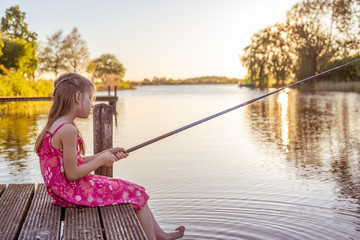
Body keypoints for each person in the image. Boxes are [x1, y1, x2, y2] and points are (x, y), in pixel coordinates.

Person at [34, 73, 185, 240]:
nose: (92, 105)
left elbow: (74, 164)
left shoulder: (55, 125)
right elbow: (72, 174)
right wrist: (100, 161)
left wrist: (105, 154)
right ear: (77, 97)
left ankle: (161, 235)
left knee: (137, 190)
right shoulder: (68, 130)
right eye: (90, 98)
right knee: (138, 194)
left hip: (63, 191)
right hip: (72, 192)